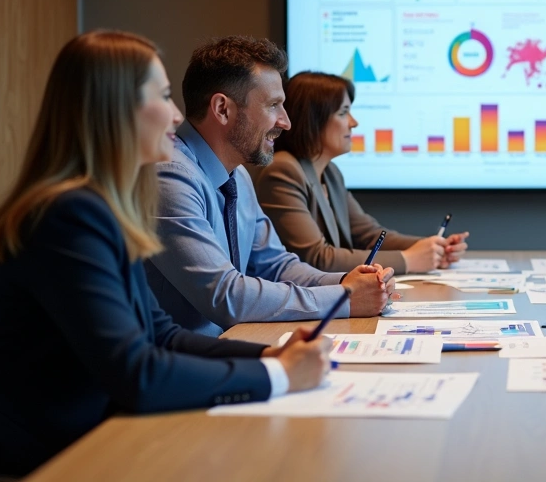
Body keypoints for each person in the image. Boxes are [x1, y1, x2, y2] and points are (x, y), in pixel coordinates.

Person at [0, 31, 334, 476]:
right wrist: (278, 377)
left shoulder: (102, 207)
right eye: (162, 96)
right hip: (3, 462)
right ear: (114, 112)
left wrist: (267, 358)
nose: (178, 114)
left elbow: (161, 335)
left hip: (70, 442)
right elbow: (137, 374)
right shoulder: (69, 216)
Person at [145, 36, 393, 337]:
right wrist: (345, 298)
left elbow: (276, 266)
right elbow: (226, 296)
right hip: (183, 367)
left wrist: (348, 283)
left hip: (228, 350)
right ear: (222, 109)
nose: (285, 122)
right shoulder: (170, 177)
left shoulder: (238, 177)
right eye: (274, 105)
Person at [254, 72, 469, 274]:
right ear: (313, 120)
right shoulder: (282, 171)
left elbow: (369, 235)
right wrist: (409, 259)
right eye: (343, 112)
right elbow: (317, 258)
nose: (353, 123)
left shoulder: (330, 173)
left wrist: (432, 247)